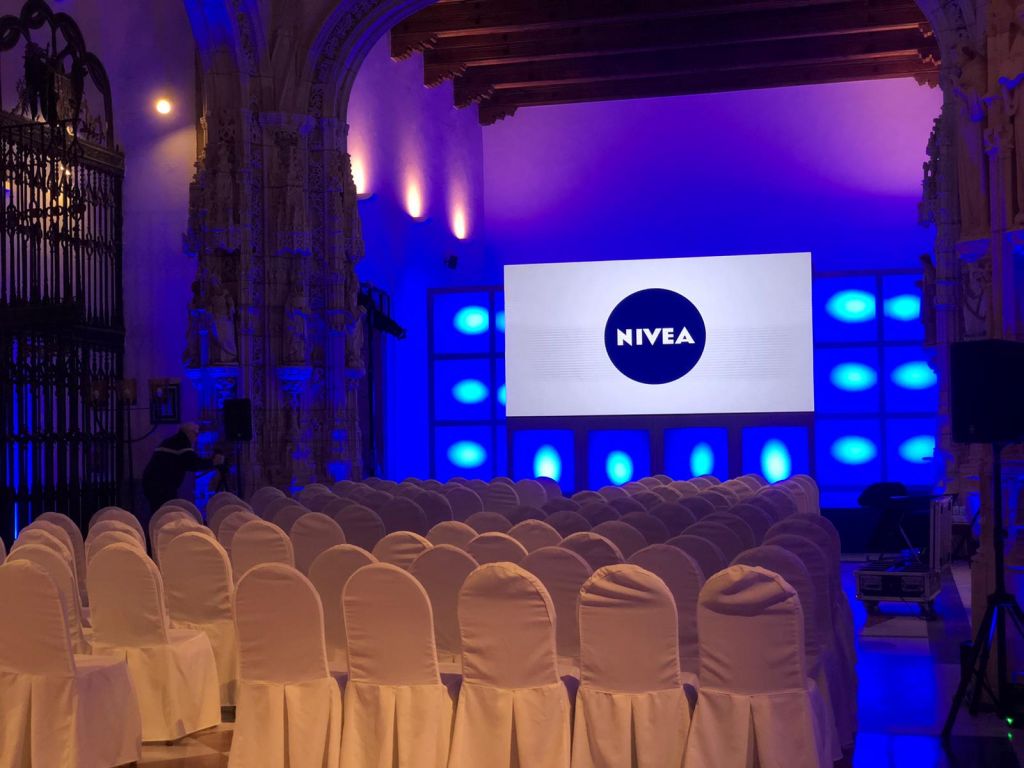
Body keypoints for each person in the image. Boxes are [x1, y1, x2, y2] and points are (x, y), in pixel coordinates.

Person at [142, 422, 224, 513]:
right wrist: (213, 462)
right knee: (167, 511)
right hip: (162, 486)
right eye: (196, 433)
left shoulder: (171, 441)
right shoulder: (182, 442)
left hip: (154, 484)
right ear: (189, 432)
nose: (196, 437)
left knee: (160, 511)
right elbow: (193, 463)